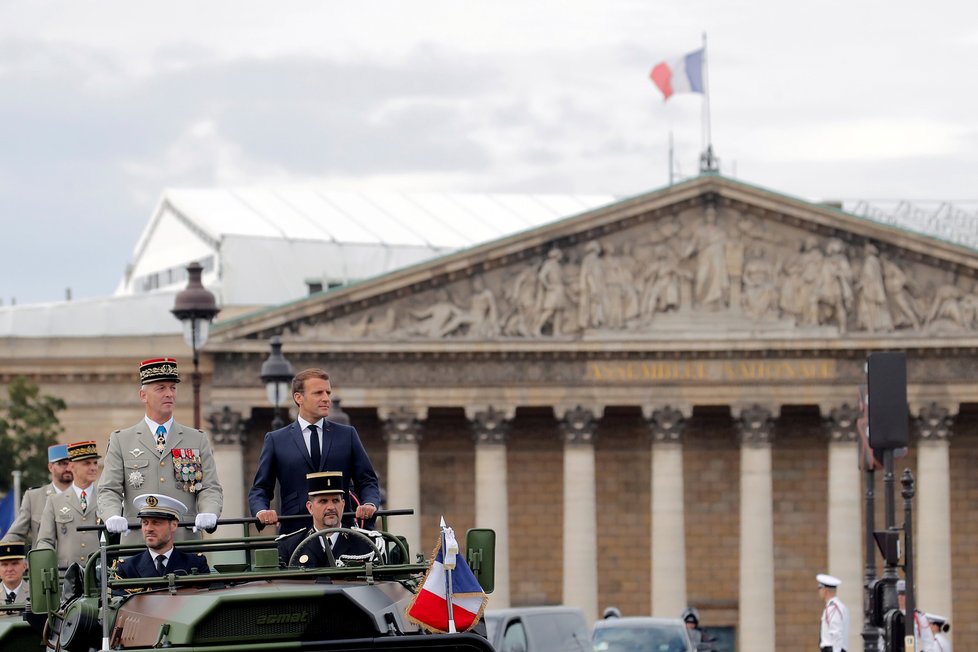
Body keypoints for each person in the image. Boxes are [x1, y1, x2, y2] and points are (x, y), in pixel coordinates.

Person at [97, 358, 223, 541]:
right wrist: (112, 515)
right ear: (143, 395)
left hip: (183, 541)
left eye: (173, 387)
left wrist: (209, 511)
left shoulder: (196, 439)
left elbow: (210, 487)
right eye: (161, 388)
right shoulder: (122, 440)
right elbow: (109, 489)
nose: (169, 394)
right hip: (138, 544)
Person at [249, 368, 380, 530]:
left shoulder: (347, 435)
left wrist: (369, 503)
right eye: (318, 393)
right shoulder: (276, 440)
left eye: (328, 393)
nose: (326, 399)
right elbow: (260, 488)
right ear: (299, 398)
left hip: (343, 532)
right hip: (296, 533)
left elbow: (367, 480)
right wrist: (262, 511)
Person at [276, 472, 378, 568]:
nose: (331, 507)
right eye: (323, 501)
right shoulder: (290, 546)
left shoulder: (366, 543)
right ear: (310, 508)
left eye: (335, 501)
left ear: (343, 505)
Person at [36, 440, 103, 567]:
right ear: (71, 466)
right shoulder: (55, 501)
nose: (93, 468)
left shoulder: (106, 498)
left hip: (100, 574)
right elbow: (45, 541)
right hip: (66, 576)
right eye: (86, 463)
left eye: (95, 463)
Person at [115, 493, 209, 582]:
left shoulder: (195, 563)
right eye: (145, 522)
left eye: (156, 523)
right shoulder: (127, 568)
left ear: (173, 525)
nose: (149, 529)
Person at [1, 444, 73, 546]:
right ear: (50, 467)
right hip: (44, 560)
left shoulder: (84, 497)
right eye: (62, 464)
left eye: (71, 463)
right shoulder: (34, 498)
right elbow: (16, 534)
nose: (68, 468)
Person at [897, 580, 938, 652]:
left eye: (903, 594)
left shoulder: (919, 617)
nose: (900, 597)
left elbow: (928, 641)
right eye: (898, 593)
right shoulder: (890, 616)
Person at [817, 574, 849, 652]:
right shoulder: (836, 606)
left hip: (832, 649)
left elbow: (836, 633)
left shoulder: (833, 608)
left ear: (825, 590)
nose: (819, 591)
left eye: (819, 588)